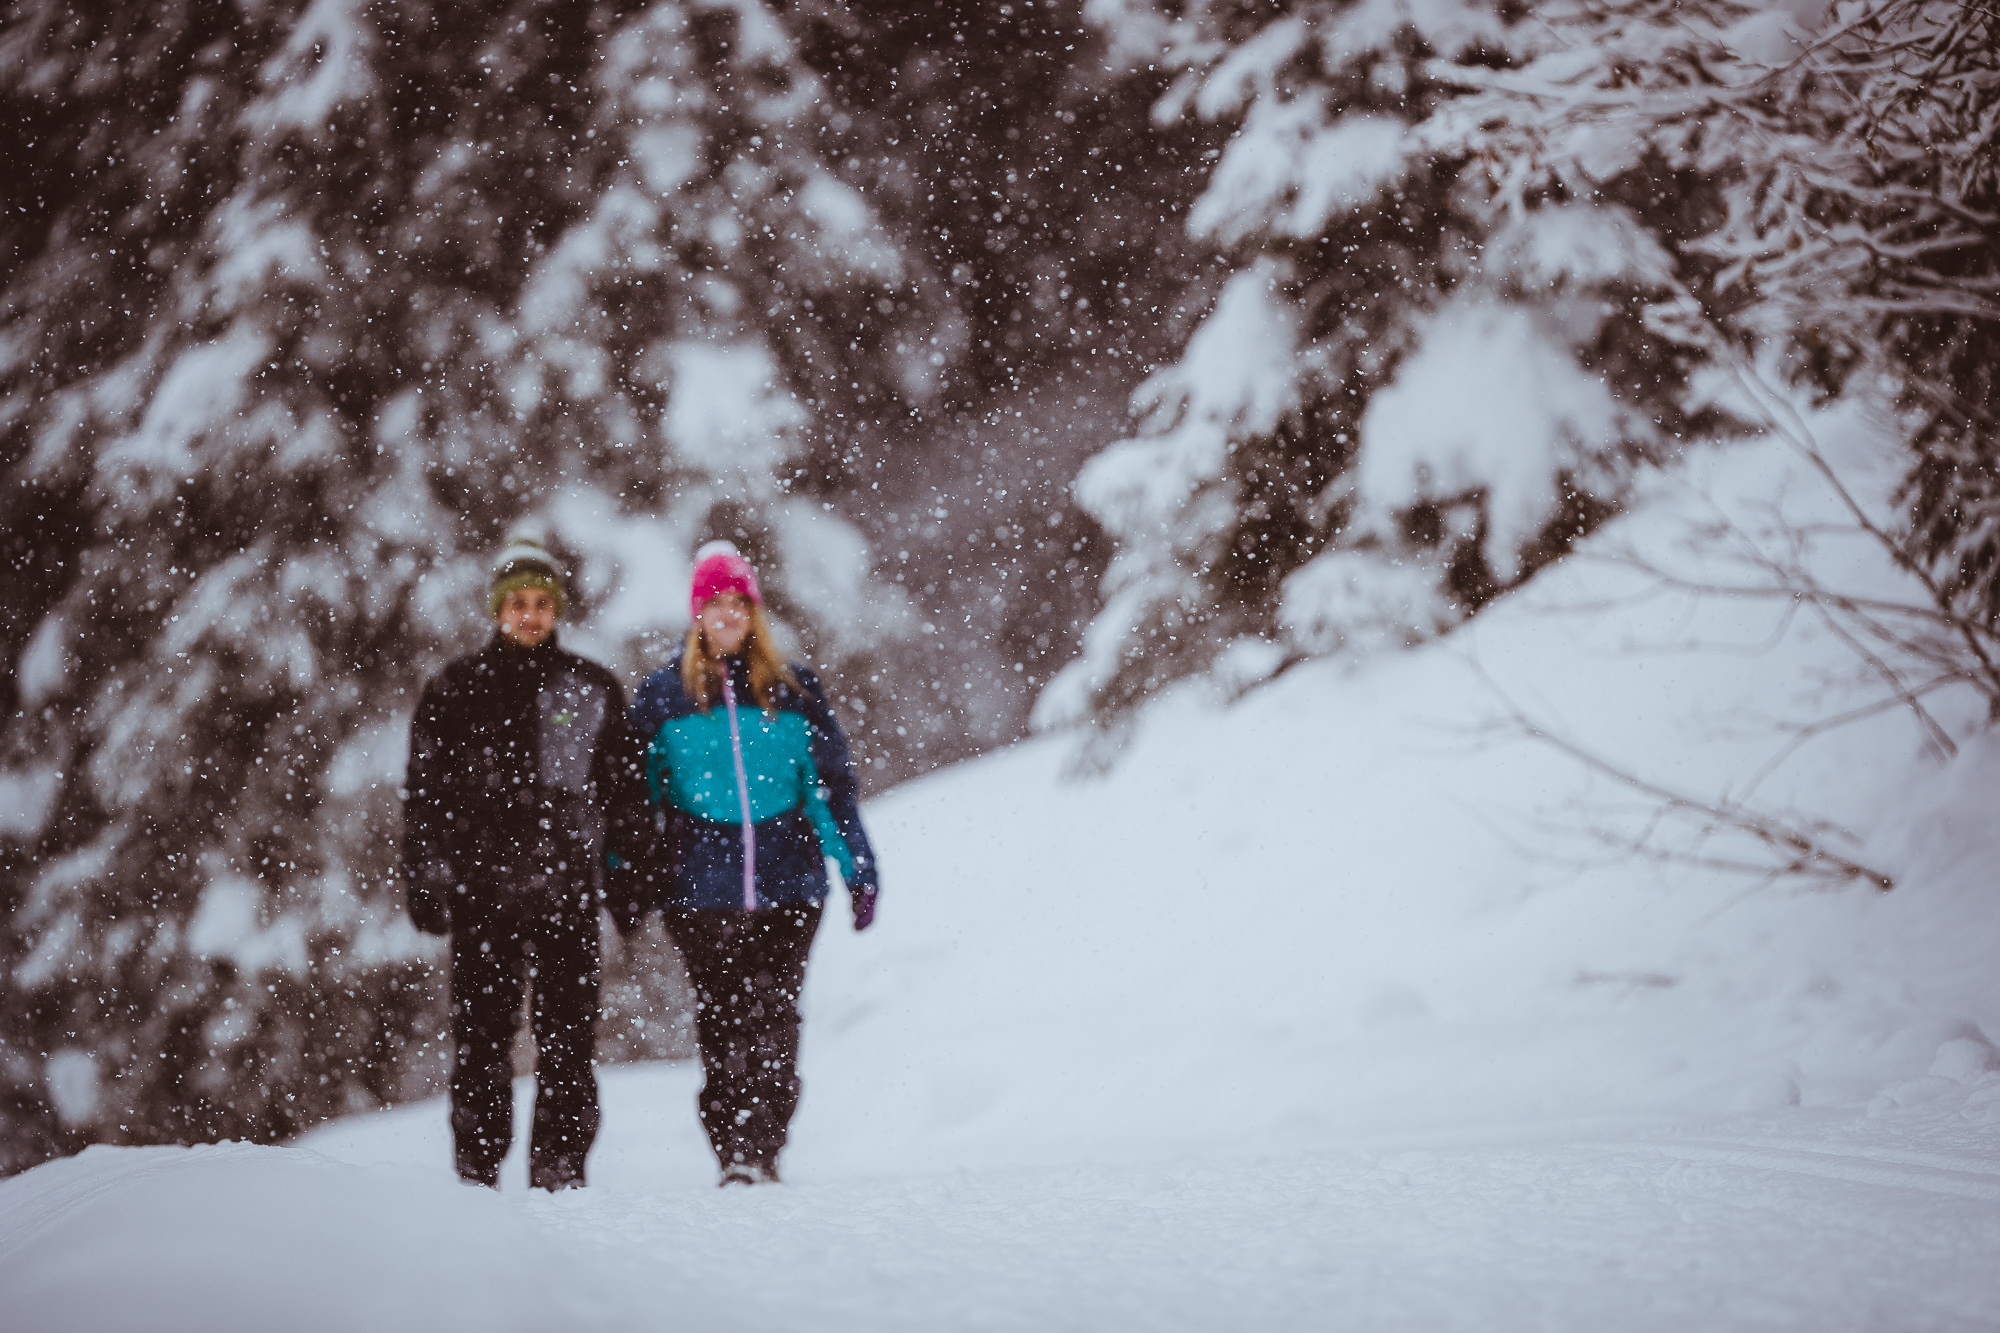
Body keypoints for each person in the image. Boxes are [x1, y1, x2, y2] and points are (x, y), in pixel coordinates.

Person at [401, 533, 654, 1191]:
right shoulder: (455, 689)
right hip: (481, 895)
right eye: (517, 602)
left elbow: (625, 793)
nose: (530, 613)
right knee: (482, 1043)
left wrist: (628, 877)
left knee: (569, 1042)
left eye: (542, 602)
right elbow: (425, 794)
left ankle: (560, 1171)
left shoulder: (590, 687)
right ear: (496, 608)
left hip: (567, 893)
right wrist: (425, 874)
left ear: (557, 609)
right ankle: (476, 1172)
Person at [629, 540, 880, 1186]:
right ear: (697, 613)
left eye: (738, 603)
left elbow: (829, 787)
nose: (728, 614)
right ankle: (731, 1147)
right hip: (700, 890)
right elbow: (637, 802)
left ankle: (763, 1145)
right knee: (721, 1016)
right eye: (715, 604)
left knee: (774, 1014)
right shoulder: (664, 698)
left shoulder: (793, 690)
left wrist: (856, 867)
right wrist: (631, 875)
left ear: (753, 610)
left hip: (789, 882)